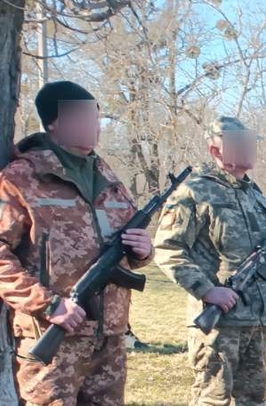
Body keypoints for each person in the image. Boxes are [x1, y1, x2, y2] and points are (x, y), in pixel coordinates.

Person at [0, 81, 154, 405]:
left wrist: (143, 250)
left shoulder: (106, 174)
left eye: (96, 116)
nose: (94, 124)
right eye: (83, 115)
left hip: (109, 337)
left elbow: (128, 240)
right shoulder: (21, 178)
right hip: (53, 336)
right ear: (54, 122)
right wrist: (48, 304)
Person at [154, 116, 266, 404]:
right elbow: (167, 248)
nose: (249, 150)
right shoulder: (195, 192)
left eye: (251, 143)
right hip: (220, 322)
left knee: (253, 398)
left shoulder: (254, 194)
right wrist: (207, 290)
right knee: (213, 397)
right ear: (216, 151)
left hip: (258, 320)